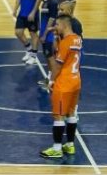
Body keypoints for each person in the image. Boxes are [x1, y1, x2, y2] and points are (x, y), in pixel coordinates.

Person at [40, 15, 82, 159]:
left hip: (64, 83)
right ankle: (70, 145)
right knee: (71, 114)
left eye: (57, 25)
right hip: (76, 81)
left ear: (64, 25)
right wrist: (57, 36)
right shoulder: (77, 39)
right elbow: (63, 51)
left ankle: (57, 148)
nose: (55, 27)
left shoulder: (65, 43)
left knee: (58, 116)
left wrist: (51, 81)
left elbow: (57, 65)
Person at [12, 0, 41, 65]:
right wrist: (15, 9)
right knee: (18, 32)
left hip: (32, 14)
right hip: (22, 13)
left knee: (33, 34)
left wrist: (33, 12)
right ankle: (29, 49)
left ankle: (33, 55)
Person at [37, 0, 59, 91]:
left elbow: (51, 20)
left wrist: (45, 34)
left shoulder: (53, 3)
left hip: (49, 36)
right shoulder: (45, 2)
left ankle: (53, 82)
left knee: (51, 59)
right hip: (44, 34)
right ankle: (49, 78)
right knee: (47, 57)